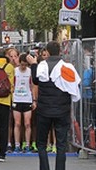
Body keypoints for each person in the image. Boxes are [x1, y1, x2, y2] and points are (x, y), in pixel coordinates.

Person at [33, 41, 81, 170]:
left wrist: (33, 64)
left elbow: (35, 80)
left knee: (41, 143)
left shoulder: (41, 66)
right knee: (61, 144)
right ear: (60, 51)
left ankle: (44, 168)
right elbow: (75, 85)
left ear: (47, 52)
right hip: (62, 110)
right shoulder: (67, 67)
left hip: (44, 110)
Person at [12, 53, 36, 153]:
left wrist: (34, 100)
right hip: (17, 99)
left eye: (25, 65)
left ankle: (27, 145)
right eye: (22, 64)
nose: (23, 67)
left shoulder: (30, 72)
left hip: (27, 99)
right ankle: (17, 145)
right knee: (17, 123)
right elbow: (12, 85)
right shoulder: (15, 71)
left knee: (27, 123)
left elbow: (32, 86)